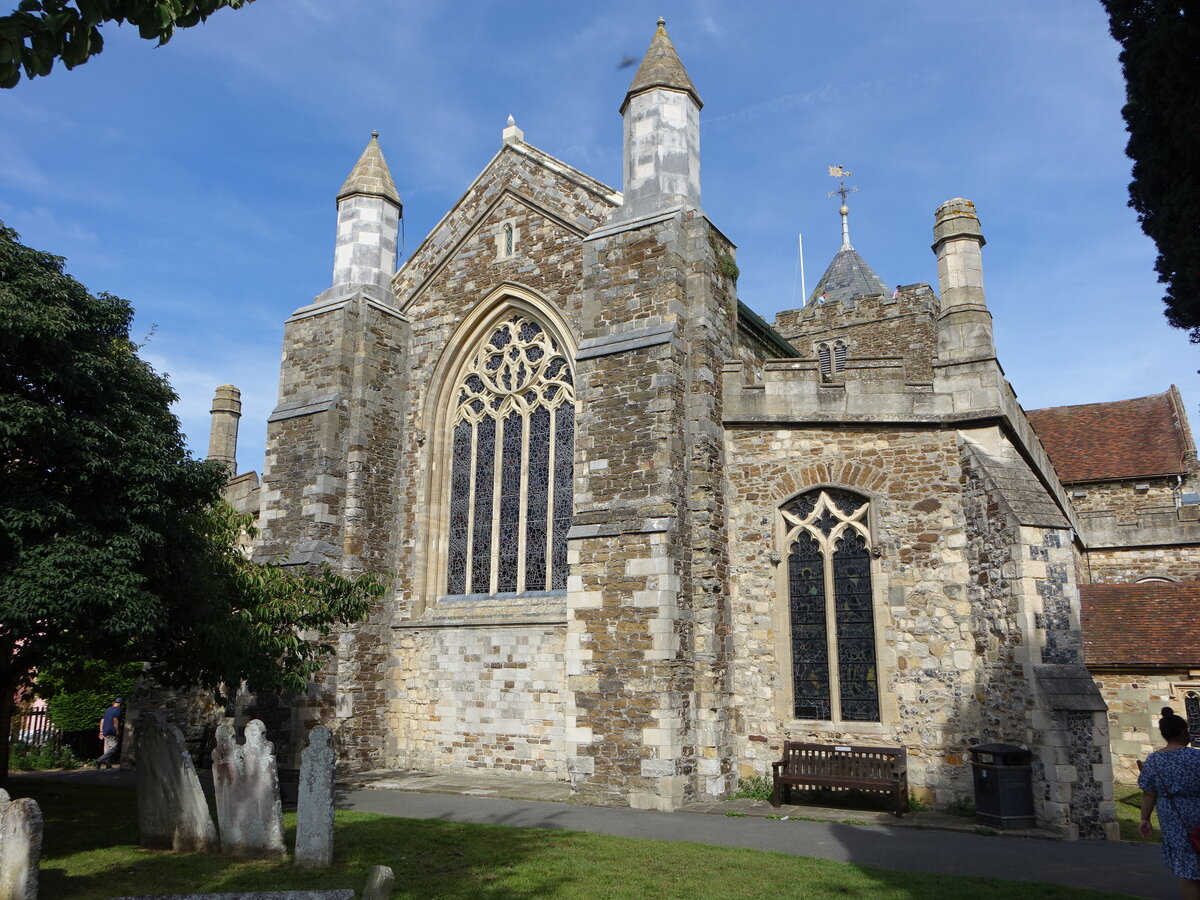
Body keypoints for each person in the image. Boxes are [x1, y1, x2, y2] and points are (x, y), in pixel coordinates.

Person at [1139, 706, 1200, 899]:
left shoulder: (1154, 760)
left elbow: (1149, 794)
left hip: (1174, 817)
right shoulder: (1197, 756)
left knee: (1186, 868)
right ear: (1183, 732)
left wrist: (1144, 819)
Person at [94, 698, 122, 770]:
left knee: (107, 749)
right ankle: (99, 761)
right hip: (112, 731)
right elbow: (115, 720)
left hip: (105, 732)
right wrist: (117, 731)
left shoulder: (107, 710)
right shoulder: (117, 710)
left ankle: (108, 765)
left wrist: (101, 731)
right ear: (119, 704)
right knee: (114, 748)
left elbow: (102, 721)